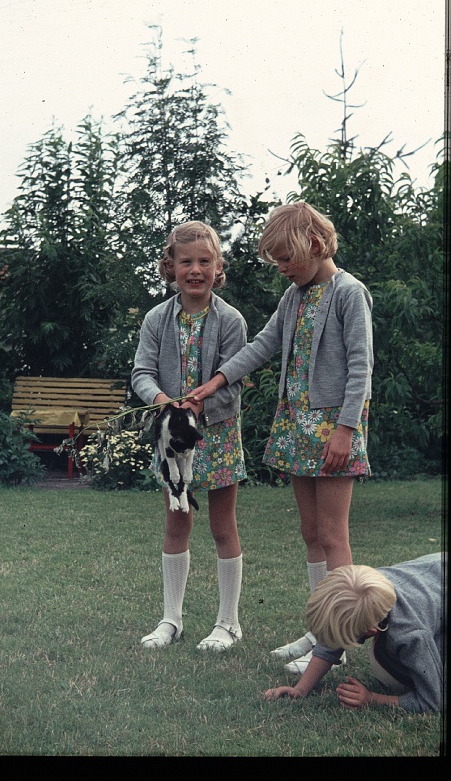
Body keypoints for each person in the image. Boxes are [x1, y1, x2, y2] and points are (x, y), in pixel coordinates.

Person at [191, 201, 373, 672]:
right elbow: (262, 346)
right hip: (295, 428)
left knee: (334, 535)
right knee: (311, 532)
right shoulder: (293, 298)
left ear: (314, 245)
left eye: (287, 259)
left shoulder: (349, 293)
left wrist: (345, 430)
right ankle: (319, 630)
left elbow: (361, 368)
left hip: (333, 429)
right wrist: (216, 382)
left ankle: (336, 646)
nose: (282, 270)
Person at [131, 221, 248, 651]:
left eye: (204, 261)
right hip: (171, 442)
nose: (195, 270)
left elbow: (233, 381)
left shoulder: (231, 320)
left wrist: (201, 407)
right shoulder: (155, 320)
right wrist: (164, 402)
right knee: (176, 521)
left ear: (218, 267)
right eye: (186, 262)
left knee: (222, 525)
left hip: (217, 435)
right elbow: (141, 372)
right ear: (171, 266)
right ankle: (171, 619)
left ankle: (228, 622)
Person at [262, 553, 446, 714]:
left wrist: (372, 698)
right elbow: (332, 639)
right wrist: (300, 689)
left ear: (370, 630)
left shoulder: (410, 634)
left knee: (390, 668)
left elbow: (433, 701)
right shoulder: (366, 587)